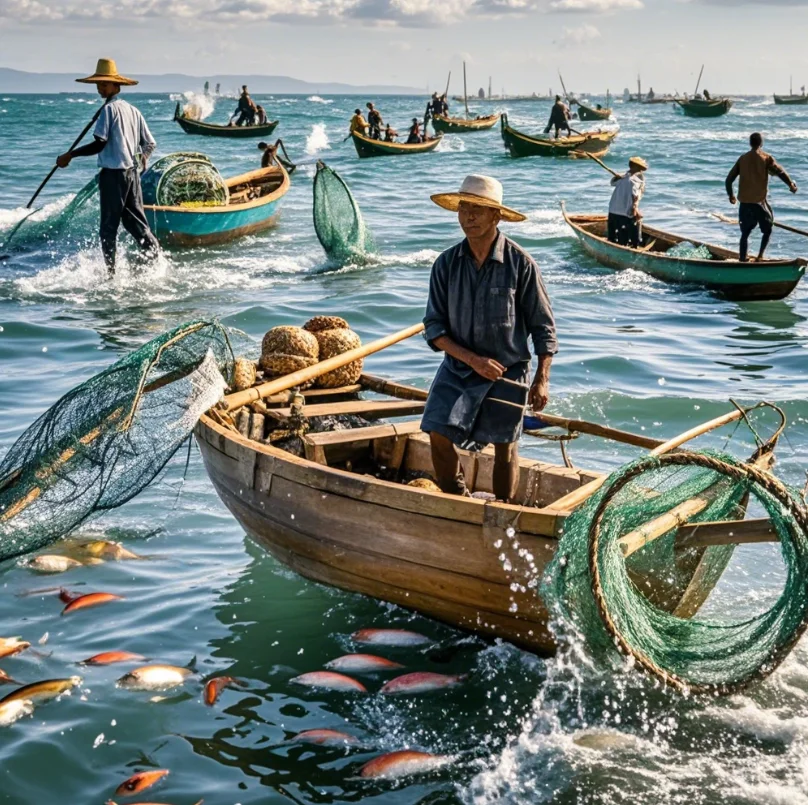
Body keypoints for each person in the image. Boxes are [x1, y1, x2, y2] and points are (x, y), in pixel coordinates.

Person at [422, 174, 557, 502]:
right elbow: (434, 328)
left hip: (507, 372)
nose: (468, 217)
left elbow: (544, 329)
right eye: (464, 208)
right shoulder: (446, 264)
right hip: (458, 368)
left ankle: (502, 512)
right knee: (436, 431)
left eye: (478, 210)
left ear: (496, 216)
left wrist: (542, 380)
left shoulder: (520, 264)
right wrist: (472, 360)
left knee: (505, 449)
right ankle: (458, 501)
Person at [55, 58, 159, 276]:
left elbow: (100, 143)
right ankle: (158, 263)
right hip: (131, 175)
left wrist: (70, 155)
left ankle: (111, 276)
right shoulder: (132, 110)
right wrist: (140, 160)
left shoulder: (108, 111)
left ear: (116, 86)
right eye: (98, 84)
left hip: (113, 175)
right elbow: (149, 143)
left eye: (104, 84)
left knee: (108, 228)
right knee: (136, 223)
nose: (100, 88)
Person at [726, 132, 798, 262]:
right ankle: (760, 256)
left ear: (750, 143)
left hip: (744, 203)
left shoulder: (742, 159)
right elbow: (780, 172)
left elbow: (728, 180)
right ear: (761, 143)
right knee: (767, 229)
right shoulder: (766, 158)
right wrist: (791, 185)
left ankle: (742, 259)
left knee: (745, 234)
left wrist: (731, 196)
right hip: (759, 203)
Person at [607, 156, 648, 248]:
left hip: (614, 210)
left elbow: (612, 183)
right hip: (625, 212)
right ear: (633, 166)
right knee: (629, 236)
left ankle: (620, 246)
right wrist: (635, 208)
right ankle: (634, 246)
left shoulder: (625, 177)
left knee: (615, 237)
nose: (641, 171)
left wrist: (617, 177)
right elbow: (635, 195)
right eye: (639, 168)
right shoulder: (633, 178)